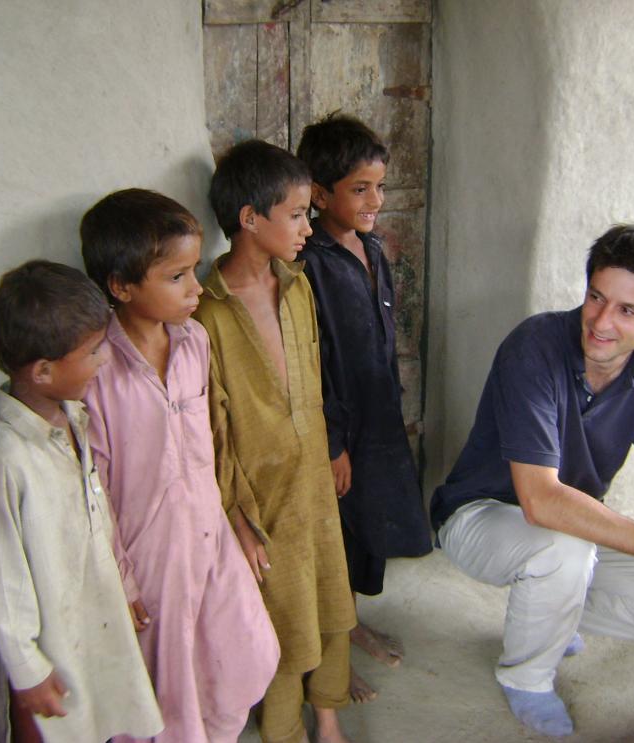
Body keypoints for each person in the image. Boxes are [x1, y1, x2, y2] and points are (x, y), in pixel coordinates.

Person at [429, 224, 634, 737]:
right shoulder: (535, 347)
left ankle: (550, 614)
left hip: (567, 530)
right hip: (478, 517)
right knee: (562, 549)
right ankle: (526, 677)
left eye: (628, 311)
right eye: (597, 297)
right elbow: (541, 502)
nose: (601, 322)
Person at [79, 188, 280, 742]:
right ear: (121, 287)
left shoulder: (193, 342)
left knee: (244, 653)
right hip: (150, 555)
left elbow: (211, 443)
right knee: (168, 691)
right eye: (176, 277)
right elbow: (92, 491)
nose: (196, 288)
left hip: (209, 535)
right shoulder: (98, 372)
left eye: (194, 271)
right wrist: (119, 579)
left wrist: (236, 520)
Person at [0, 261, 163, 742]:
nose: (104, 361)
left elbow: (98, 516)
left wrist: (125, 585)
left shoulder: (73, 418)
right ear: (45, 370)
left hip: (94, 618)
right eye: (94, 352)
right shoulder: (4, 462)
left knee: (103, 718)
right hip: (49, 649)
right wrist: (26, 668)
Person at [195, 139, 356, 743]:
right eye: (296, 214)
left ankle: (329, 715)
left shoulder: (297, 286)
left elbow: (315, 379)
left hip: (312, 473)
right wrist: (235, 511)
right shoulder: (206, 314)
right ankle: (283, 729)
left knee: (332, 595)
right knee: (281, 614)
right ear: (249, 219)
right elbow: (212, 429)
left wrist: (332, 445)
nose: (308, 227)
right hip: (262, 493)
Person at [295, 113, 432, 702]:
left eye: (380, 186)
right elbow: (312, 365)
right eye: (359, 188)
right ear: (319, 194)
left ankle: (348, 626)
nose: (375, 199)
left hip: (379, 419)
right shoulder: (309, 265)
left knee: (364, 532)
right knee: (333, 538)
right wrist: (332, 443)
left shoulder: (371, 247)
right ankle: (327, 653)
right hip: (340, 427)